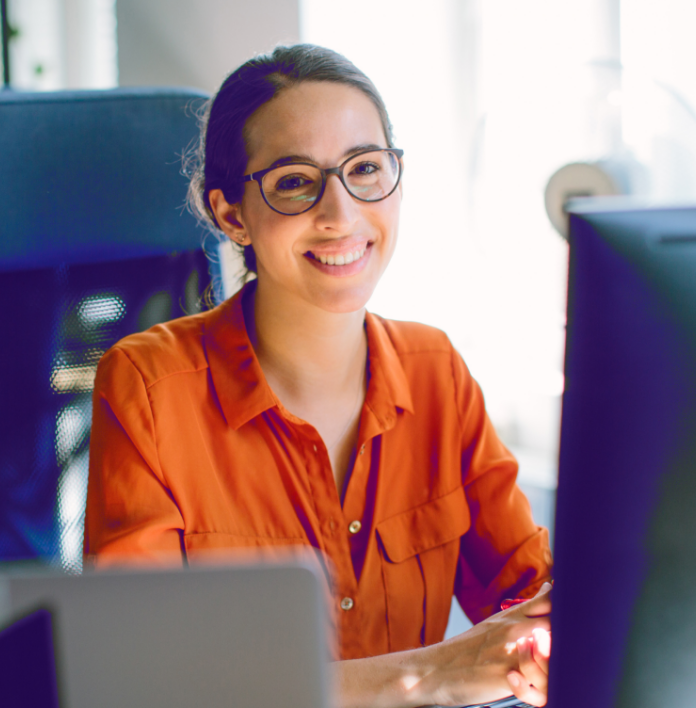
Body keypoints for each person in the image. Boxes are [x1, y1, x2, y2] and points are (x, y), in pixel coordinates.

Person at [84, 44, 552, 708]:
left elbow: (531, 598)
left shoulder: (435, 373)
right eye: (295, 181)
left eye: (365, 168)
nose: (341, 213)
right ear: (231, 214)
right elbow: (146, 678)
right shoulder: (149, 388)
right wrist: (433, 674)